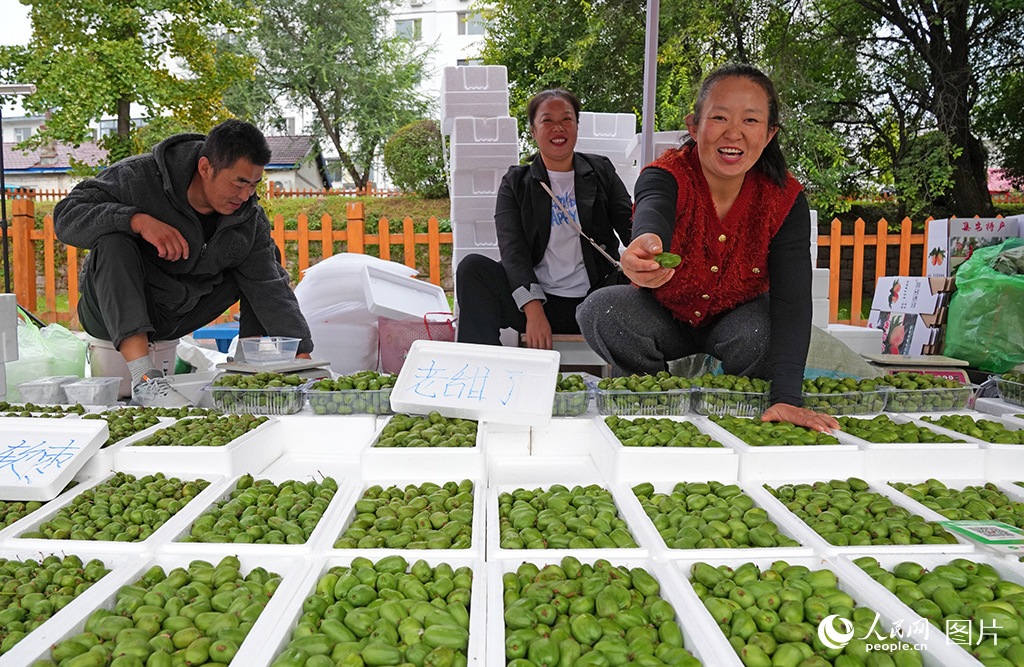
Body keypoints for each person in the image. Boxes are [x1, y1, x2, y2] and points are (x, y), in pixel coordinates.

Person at [576, 64, 838, 432]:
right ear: (694, 125)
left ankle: (746, 403)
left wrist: (787, 398)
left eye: (750, 120)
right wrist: (645, 244)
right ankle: (648, 398)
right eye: (719, 117)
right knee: (601, 310)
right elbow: (653, 207)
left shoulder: (784, 199)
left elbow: (792, 302)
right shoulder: (666, 174)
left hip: (737, 326)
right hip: (664, 318)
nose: (734, 133)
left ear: (769, 134)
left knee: (765, 329)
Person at [54, 119, 312, 407]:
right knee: (113, 241)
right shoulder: (136, 177)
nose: (245, 196)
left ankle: (244, 369)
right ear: (205, 168)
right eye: (239, 183)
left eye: (254, 185)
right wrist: (136, 221)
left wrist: (304, 358)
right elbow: (65, 217)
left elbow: (270, 288)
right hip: (108, 313)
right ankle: (146, 380)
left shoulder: (248, 217)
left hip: (178, 316)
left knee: (266, 258)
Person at [455, 88, 633, 349]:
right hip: (539, 304)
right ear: (533, 131)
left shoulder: (600, 170)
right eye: (547, 120)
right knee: (472, 269)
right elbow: (513, 250)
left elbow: (630, 224)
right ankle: (484, 367)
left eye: (566, 119)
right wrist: (533, 309)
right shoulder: (516, 182)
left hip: (597, 301)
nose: (558, 127)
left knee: (648, 278)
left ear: (577, 126)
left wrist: (650, 256)